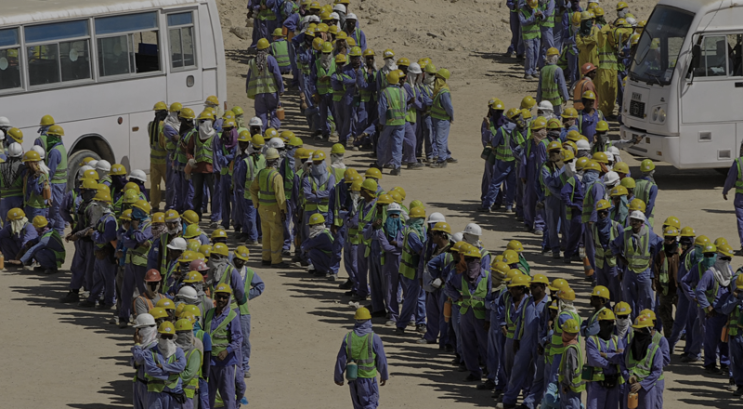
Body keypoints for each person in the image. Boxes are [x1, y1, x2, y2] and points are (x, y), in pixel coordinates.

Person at [445, 244, 491, 381]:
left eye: (474, 260)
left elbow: (490, 298)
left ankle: (489, 372)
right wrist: (457, 297)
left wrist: (488, 319)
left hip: (481, 317)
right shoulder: (461, 277)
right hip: (466, 314)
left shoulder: (487, 277)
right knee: (468, 344)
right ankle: (474, 372)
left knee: (485, 345)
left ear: (479, 261)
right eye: (468, 259)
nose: (471, 263)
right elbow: (448, 286)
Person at [333, 307, 389, 409]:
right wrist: (384, 375)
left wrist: (338, 377)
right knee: (370, 405)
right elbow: (382, 359)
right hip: (368, 379)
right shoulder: (374, 338)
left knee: (358, 406)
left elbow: (340, 359)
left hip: (353, 378)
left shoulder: (348, 337)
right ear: (369, 320)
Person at [611, 211, 663, 316]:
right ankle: (633, 323)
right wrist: (621, 259)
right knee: (629, 299)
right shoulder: (625, 234)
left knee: (647, 299)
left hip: (645, 272)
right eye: (632, 220)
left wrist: (652, 258)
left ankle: (647, 321)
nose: (634, 222)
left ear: (641, 222)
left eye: (637, 221)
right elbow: (613, 245)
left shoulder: (649, 234)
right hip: (630, 272)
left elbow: (660, 244)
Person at [694, 243, 733, 374]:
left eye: (728, 259)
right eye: (724, 258)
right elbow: (699, 290)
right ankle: (710, 364)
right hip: (713, 314)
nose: (726, 262)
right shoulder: (710, 274)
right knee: (711, 339)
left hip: (726, 312)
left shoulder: (729, 271)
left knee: (725, 339)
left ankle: (725, 364)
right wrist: (707, 307)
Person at [204, 283, 244, 408]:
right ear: (215, 297)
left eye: (224, 297)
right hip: (210, 362)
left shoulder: (232, 316)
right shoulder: (209, 313)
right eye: (219, 297)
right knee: (208, 395)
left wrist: (227, 351)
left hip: (226, 363)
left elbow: (238, 339)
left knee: (228, 395)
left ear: (229, 298)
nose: (221, 300)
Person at [481, 108, 526, 213]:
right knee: (511, 184)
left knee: (495, 183)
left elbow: (495, 143)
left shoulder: (502, 130)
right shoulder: (518, 130)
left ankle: (487, 205)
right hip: (514, 161)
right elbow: (521, 144)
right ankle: (509, 206)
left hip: (502, 160)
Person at [614, 316, 664, 409]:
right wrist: (628, 377)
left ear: (647, 332)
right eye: (636, 331)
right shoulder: (629, 347)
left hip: (646, 391)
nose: (638, 334)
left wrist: (641, 384)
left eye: (640, 331)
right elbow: (623, 364)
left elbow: (657, 371)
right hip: (630, 388)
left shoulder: (655, 350)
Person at [249, 148, 287, 266]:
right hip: (273, 209)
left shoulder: (261, 173)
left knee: (266, 234)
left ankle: (266, 258)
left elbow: (252, 188)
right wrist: (283, 210)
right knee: (276, 234)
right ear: (276, 160)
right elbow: (280, 197)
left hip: (262, 208)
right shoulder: (276, 176)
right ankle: (276, 260)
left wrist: (256, 203)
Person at [121, 200, 154, 328]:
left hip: (142, 263)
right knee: (126, 291)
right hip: (130, 261)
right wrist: (136, 243)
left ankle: (147, 319)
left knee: (143, 292)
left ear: (142, 212)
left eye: (136, 210)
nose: (133, 213)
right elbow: (125, 240)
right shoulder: (137, 225)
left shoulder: (148, 226)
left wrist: (135, 231)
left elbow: (142, 239)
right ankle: (124, 316)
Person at [232, 246, 264, 378]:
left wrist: (247, 295)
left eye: (243, 260)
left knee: (244, 339)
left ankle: (244, 366)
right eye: (239, 259)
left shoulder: (249, 273)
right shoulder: (229, 270)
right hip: (230, 309)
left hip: (243, 311)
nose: (241, 262)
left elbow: (260, 286)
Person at [396, 206, 429, 333]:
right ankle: (401, 324)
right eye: (419, 220)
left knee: (421, 297)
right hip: (410, 272)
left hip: (417, 271)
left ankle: (420, 323)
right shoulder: (412, 233)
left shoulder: (421, 230)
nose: (421, 223)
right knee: (411, 299)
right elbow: (421, 250)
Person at [142, 321, 187, 409]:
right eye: (164, 336)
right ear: (159, 336)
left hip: (174, 392)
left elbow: (181, 366)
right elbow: (151, 370)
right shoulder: (149, 352)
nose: (167, 340)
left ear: (173, 337)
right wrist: (170, 373)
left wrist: (164, 367)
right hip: (155, 393)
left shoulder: (178, 351)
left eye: (169, 337)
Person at [585, 309, 623, 409]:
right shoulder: (592, 340)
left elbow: (621, 358)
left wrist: (604, 355)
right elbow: (594, 359)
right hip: (597, 385)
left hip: (613, 384)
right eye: (607, 323)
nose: (610, 326)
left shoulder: (616, 339)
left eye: (612, 323)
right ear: (600, 324)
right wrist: (613, 358)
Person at [247, 38, 285, 131]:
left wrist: (248, 90)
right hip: (271, 91)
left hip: (258, 93)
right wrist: (281, 89)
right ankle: (272, 130)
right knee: (274, 111)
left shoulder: (252, 61)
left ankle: (263, 132)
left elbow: (248, 78)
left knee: (261, 114)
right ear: (267, 48)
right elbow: (277, 75)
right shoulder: (270, 59)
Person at [376, 69, 406, 175]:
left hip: (389, 122)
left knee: (382, 144)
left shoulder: (385, 92)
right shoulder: (402, 92)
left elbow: (382, 109)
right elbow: (405, 108)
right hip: (401, 122)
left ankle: (379, 165)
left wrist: (381, 123)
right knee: (398, 145)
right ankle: (397, 167)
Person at [718, 274, 743, 396]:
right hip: (735, 335)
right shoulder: (733, 297)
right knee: (736, 361)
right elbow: (725, 310)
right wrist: (735, 299)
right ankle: (740, 385)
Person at [654, 226, 680, 336]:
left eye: (671, 239)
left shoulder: (680, 254)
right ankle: (669, 340)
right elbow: (656, 272)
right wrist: (658, 287)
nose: (669, 241)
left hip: (679, 291)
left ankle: (679, 335)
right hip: (665, 292)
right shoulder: (660, 255)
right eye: (667, 239)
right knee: (665, 317)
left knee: (682, 317)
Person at [130, 313, 158, 409]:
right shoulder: (144, 347)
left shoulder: (154, 346)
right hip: (139, 383)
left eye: (139, 330)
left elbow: (139, 359)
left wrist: (137, 345)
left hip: (149, 387)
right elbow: (134, 362)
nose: (137, 333)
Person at [174, 318, 203, 409]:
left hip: (188, 394)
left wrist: (171, 378)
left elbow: (188, 374)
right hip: (173, 392)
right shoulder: (172, 350)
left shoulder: (194, 352)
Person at [430, 68, 455, 168]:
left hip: (442, 119)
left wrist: (451, 116)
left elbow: (449, 107)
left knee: (440, 140)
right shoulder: (439, 90)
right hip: (438, 118)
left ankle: (442, 160)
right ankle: (444, 156)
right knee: (441, 139)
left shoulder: (443, 92)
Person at [558, 318, 585, 409]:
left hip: (570, 388)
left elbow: (569, 369)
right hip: (575, 387)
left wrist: (565, 384)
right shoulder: (576, 344)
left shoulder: (570, 349)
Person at [722, 141, 743, 253]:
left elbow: (731, 179)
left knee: (741, 220)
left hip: (741, 198)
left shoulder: (738, 162)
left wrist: (725, 191)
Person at [537, 48, 570, 117]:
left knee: (545, 116)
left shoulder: (543, 69)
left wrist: (538, 99)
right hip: (556, 100)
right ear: (556, 58)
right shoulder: (558, 70)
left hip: (545, 100)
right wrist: (565, 97)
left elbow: (539, 86)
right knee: (556, 117)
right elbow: (562, 85)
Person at [301, 213, 335, 278]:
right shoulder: (323, 232)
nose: (310, 228)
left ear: (315, 226)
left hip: (330, 260)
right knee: (311, 251)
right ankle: (317, 268)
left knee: (312, 252)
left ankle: (323, 270)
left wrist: (303, 255)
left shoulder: (321, 236)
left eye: (310, 225)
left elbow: (304, 246)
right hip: (329, 258)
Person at [0, 142, 25, 225]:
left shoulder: (1, 166)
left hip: (4, 200)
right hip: (18, 199)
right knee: (18, 224)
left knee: (6, 226)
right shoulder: (23, 167)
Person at [149, 102, 168, 212]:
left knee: (154, 185)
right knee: (169, 185)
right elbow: (165, 144)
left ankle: (155, 206)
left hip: (153, 160)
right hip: (164, 161)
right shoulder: (164, 127)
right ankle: (169, 205)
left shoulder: (151, 125)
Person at [520, 0, 542, 79]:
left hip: (536, 35)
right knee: (530, 54)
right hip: (528, 35)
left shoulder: (536, 8)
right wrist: (533, 17)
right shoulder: (522, 10)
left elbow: (543, 17)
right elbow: (523, 22)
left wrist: (541, 16)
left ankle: (533, 70)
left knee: (536, 53)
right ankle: (527, 72)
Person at [634, 159, 658, 227]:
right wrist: (643, 219)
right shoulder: (653, 186)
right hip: (647, 220)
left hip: (634, 218)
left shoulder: (635, 183)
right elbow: (650, 206)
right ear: (652, 172)